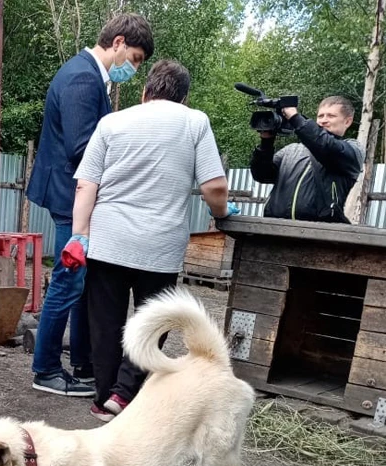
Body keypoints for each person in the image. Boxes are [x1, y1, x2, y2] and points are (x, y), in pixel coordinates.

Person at [64, 59, 233, 421]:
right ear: (184, 98)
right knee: (152, 320)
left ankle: (104, 396)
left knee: (105, 322)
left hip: (108, 241)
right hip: (160, 245)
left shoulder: (111, 122)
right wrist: (221, 214)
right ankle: (124, 395)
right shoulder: (194, 122)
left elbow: (85, 185)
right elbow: (214, 185)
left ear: (145, 92)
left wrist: (80, 236)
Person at [26, 13, 154, 397]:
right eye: (133, 58)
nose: (132, 68)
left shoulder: (88, 74)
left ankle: (83, 363)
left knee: (80, 283)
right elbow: (82, 148)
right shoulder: (83, 77)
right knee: (67, 282)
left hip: (72, 192)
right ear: (117, 43)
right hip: (70, 195)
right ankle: (46, 368)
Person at [250, 96, 364, 223]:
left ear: (347, 121)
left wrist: (294, 117)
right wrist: (266, 140)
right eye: (320, 116)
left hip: (319, 233)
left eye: (331, 116)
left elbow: (326, 146)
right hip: (276, 228)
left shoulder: (353, 150)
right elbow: (262, 175)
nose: (323, 120)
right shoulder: (291, 150)